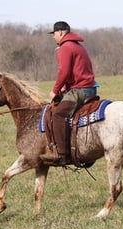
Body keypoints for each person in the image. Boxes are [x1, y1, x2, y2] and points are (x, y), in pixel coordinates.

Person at [41, 21, 98, 164]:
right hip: (89, 88)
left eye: (53, 34)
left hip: (80, 91)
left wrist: (55, 90)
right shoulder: (78, 46)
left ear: (60, 32)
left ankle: (63, 155)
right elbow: (75, 71)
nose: (53, 37)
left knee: (58, 115)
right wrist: (64, 88)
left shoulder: (65, 48)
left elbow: (64, 71)